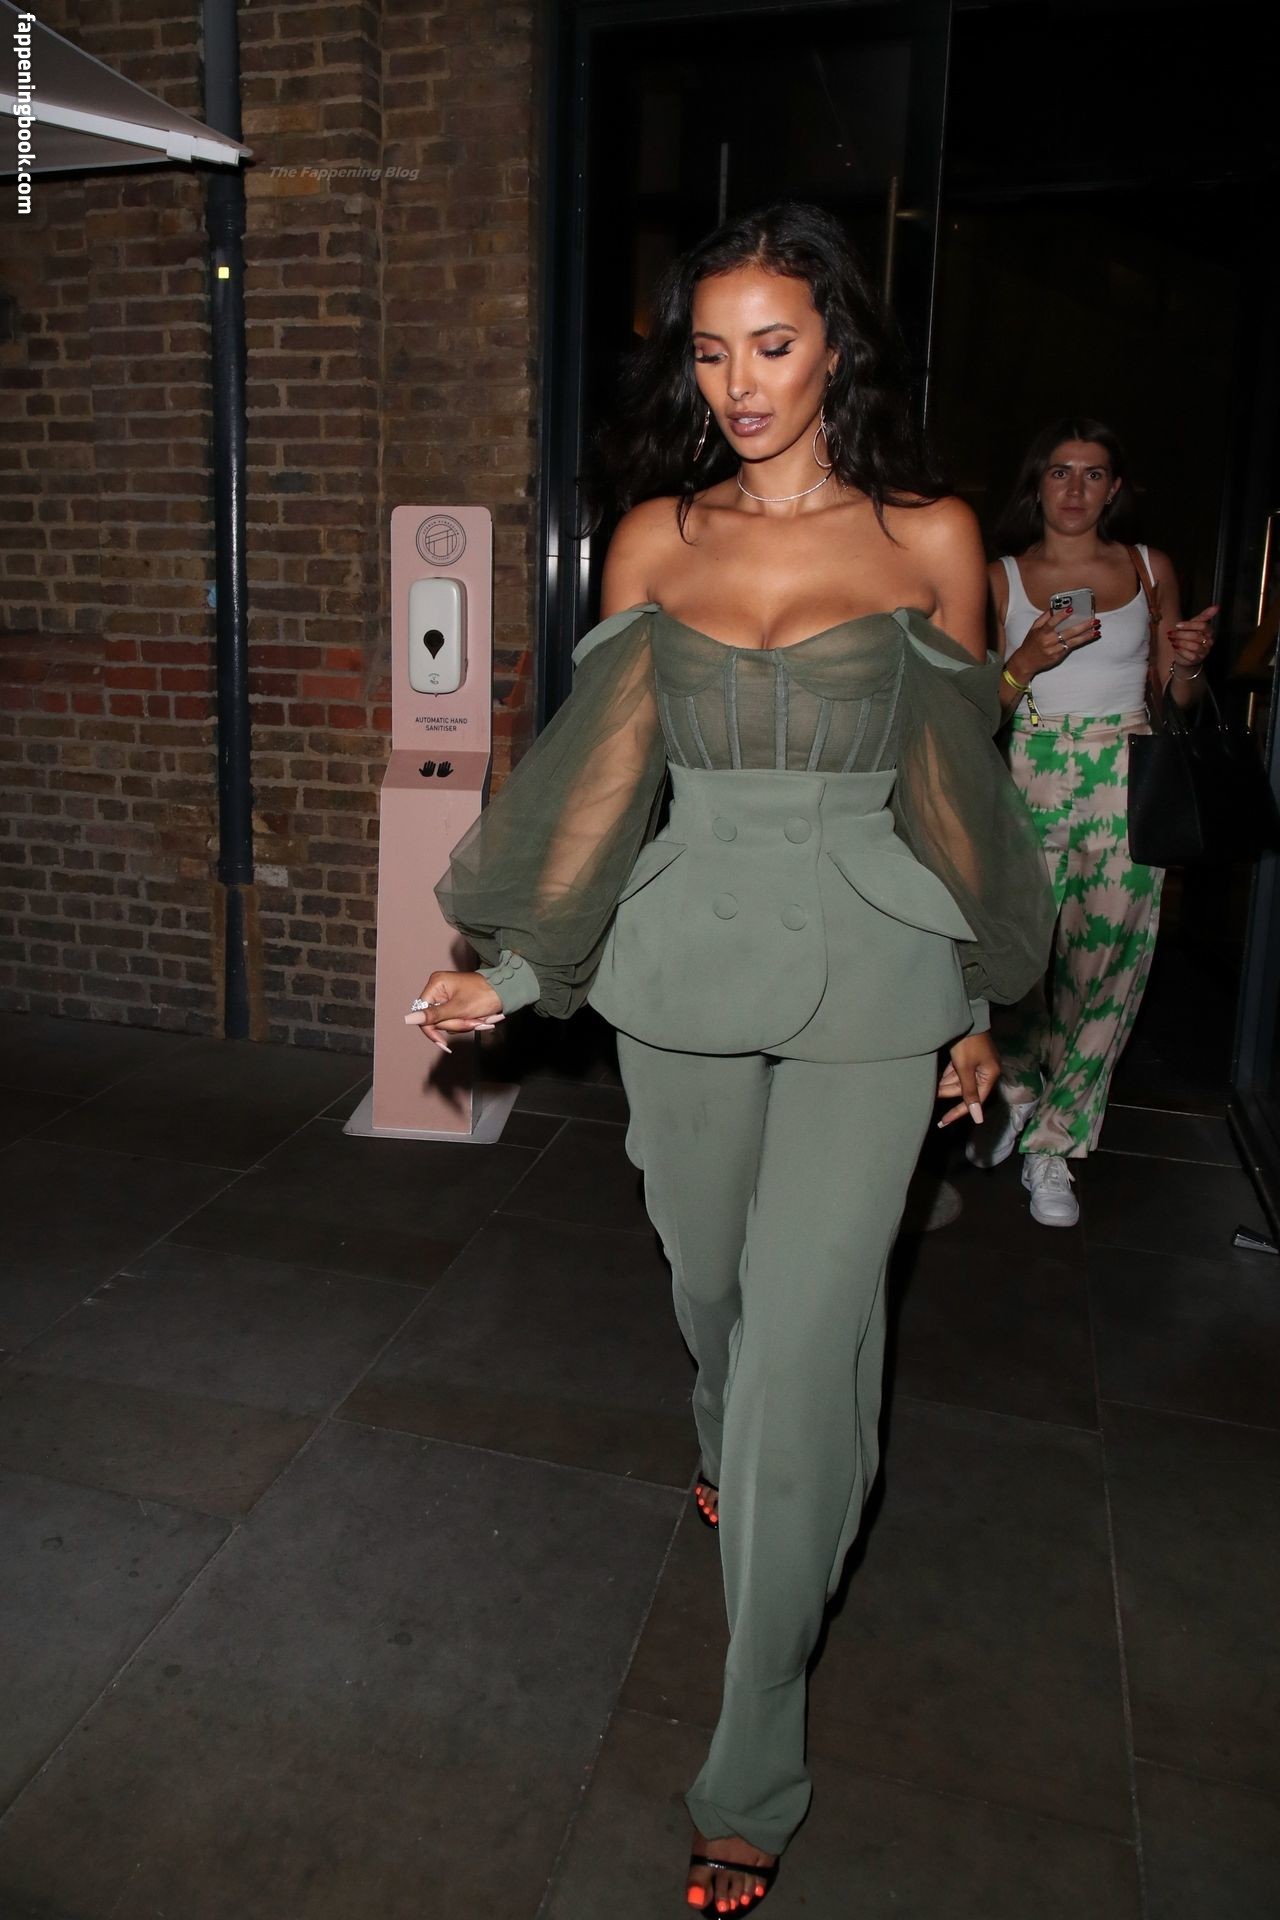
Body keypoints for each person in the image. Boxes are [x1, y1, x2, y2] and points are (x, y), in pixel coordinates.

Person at [411, 204, 1053, 1912]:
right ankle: (739, 1434)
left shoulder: (930, 535)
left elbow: (960, 786)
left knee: (804, 1349)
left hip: (877, 967)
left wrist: (978, 1001)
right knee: (715, 1296)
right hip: (684, 952)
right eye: (710, 351)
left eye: (773, 343)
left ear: (838, 344)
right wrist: (513, 966)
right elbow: (605, 778)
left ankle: (750, 1768)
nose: (740, 381)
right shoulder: (654, 538)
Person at [969, 418, 1217, 1226]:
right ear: (1036, 483)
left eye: (1094, 473)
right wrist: (1026, 661)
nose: (1075, 489)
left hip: (1125, 774)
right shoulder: (1000, 578)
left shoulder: (1148, 569)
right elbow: (979, 708)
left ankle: (1056, 1141)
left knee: (1106, 965)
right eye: (1060, 471)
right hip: (1027, 772)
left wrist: (1188, 664)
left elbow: (1173, 703)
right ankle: (1014, 1093)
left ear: (1115, 489)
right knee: (1017, 956)